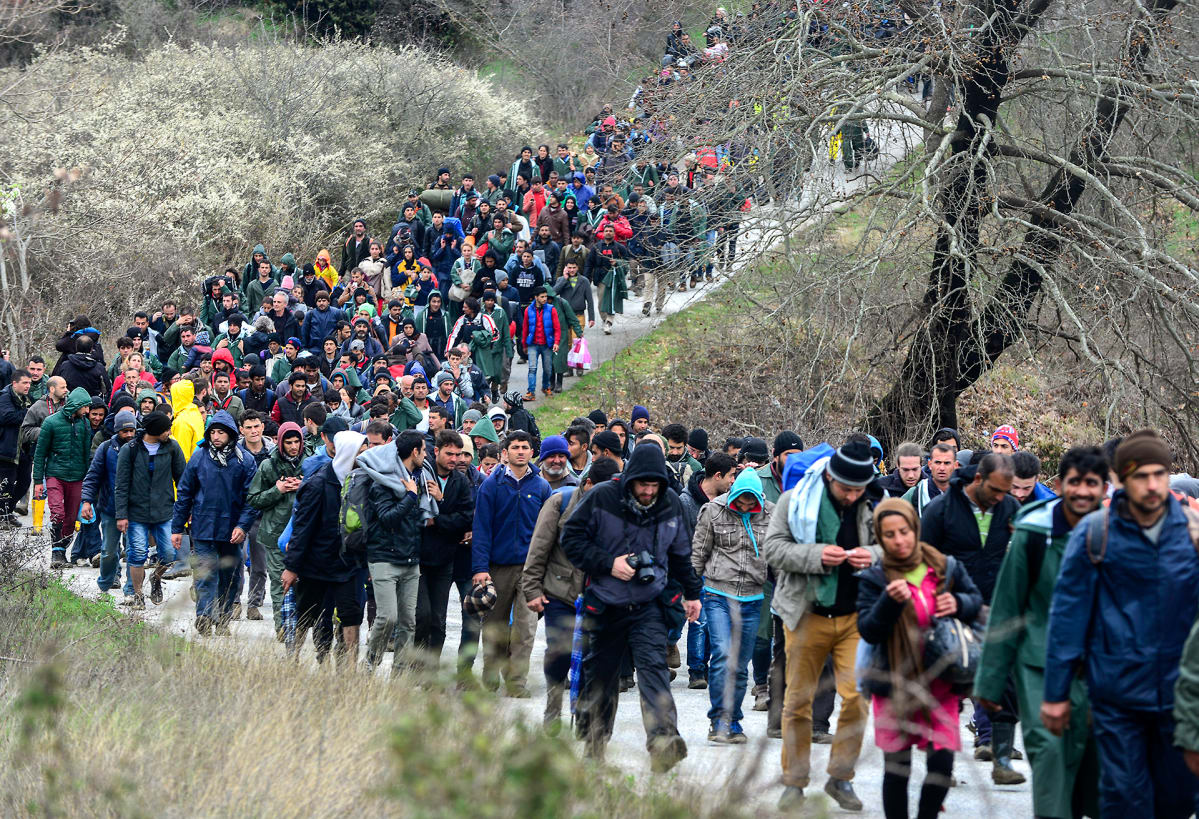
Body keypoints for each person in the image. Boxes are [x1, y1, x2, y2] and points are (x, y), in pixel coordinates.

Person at [1045, 430, 1199, 818]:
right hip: (1118, 698)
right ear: (1121, 479)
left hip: (1178, 698)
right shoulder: (1096, 534)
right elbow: (1068, 617)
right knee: (1126, 800)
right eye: (1141, 476)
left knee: (1178, 802)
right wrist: (1056, 692)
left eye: (1159, 474)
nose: (1152, 485)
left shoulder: (1192, 534)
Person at [976, 446, 1108, 819]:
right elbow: (1007, 607)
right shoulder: (1035, 532)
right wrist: (990, 683)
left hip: (1103, 670)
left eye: (1092, 483)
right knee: (1049, 754)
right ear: (1060, 485)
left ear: (1104, 487)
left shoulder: (1119, 533)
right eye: (1074, 482)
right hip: (1039, 665)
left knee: (1098, 771)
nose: (1082, 491)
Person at [561, 443, 702, 772]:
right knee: (600, 679)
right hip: (606, 603)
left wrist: (692, 593)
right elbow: (571, 538)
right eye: (643, 485)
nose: (649, 491)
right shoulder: (601, 498)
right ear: (630, 480)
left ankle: (664, 742)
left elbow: (682, 554)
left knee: (654, 672)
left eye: (654, 486)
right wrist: (609, 563)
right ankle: (594, 747)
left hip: (648, 603)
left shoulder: (669, 503)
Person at [762, 439, 881, 812]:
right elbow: (773, 550)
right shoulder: (792, 502)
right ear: (830, 476)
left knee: (857, 698)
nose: (850, 495)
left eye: (857, 489)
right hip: (806, 614)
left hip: (854, 618)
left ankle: (840, 777)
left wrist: (871, 555)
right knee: (797, 701)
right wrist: (815, 555)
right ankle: (794, 783)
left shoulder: (871, 507)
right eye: (845, 488)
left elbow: (893, 548)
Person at [856, 498, 983, 819]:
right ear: (879, 539)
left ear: (916, 528)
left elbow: (975, 600)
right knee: (897, 769)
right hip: (894, 682)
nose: (899, 541)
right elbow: (868, 630)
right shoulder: (875, 578)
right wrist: (887, 602)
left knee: (941, 764)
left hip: (941, 681)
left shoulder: (944, 565)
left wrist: (957, 602)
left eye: (905, 531)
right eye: (889, 535)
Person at [919, 452, 1023, 780]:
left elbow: (1021, 556)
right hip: (949, 607)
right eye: (995, 490)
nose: (1000, 498)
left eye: (1006, 492)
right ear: (978, 479)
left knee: (1004, 682)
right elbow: (922, 561)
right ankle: (940, 763)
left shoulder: (1009, 509)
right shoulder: (941, 510)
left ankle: (1000, 758)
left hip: (996, 607)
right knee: (947, 687)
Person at [522, 456, 621, 728]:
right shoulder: (560, 503)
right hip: (560, 592)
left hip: (598, 595)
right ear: (588, 484)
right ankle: (553, 706)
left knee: (594, 657)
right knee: (560, 651)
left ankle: (584, 715)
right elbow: (539, 547)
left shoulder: (617, 508)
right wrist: (531, 589)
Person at [691, 466, 773, 743]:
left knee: (739, 665)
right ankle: (718, 720)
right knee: (724, 655)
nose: (747, 505)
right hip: (718, 594)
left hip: (753, 598)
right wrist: (690, 593)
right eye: (743, 499)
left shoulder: (771, 514)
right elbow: (698, 553)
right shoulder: (713, 511)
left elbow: (778, 557)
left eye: (753, 500)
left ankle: (733, 720)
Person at [471, 430, 551, 695]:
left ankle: (517, 683)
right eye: (515, 447)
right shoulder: (491, 485)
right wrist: (480, 568)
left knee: (526, 628)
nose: (520, 451)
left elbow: (549, 530)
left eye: (525, 447)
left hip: (531, 571)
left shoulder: (541, 487)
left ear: (532, 452)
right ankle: (491, 673)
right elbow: (481, 528)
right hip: (497, 567)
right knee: (495, 625)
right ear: (504, 453)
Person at [282, 430, 368, 668]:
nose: (364, 457)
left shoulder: (361, 483)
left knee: (351, 615)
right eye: (359, 453)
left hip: (348, 565)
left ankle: (350, 667)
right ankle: (293, 660)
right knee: (306, 614)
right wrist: (292, 567)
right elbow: (302, 529)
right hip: (316, 565)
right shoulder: (318, 484)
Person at [171, 411, 258, 635]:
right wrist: (177, 528)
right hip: (203, 526)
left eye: (221, 432)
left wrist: (243, 526)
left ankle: (222, 619)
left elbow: (252, 499)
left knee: (230, 576)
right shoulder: (199, 457)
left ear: (230, 434)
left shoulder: (244, 461)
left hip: (232, 530)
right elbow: (185, 493)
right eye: (213, 432)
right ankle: (204, 615)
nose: (216, 436)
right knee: (205, 573)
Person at [357, 429, 428, 674]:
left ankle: (399, 674)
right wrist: (410, 496)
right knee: (388, 617)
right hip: (384, 558)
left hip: (410, 559)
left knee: (408, 621)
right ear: (414, 452)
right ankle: (370, 662)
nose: (426, 454)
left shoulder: (418, 478)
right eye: (424, 450)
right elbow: (387, 519)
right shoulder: (383, 481)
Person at [414, 430, 475, 664]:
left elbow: (465, 519)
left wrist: (438, 510)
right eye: (449, 454)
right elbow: (416, 517)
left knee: (438, 619)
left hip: (445, 559)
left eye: (458, 454)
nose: (455, 459)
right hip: (418, 558)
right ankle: (416, 664)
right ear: (436, 451)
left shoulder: (460, 481)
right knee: (422, 615)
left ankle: (431, 668)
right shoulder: (421, 474)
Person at [114, 411, 186, 605]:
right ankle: (138, 596)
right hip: (136, 512)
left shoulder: (172, 447)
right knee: (137, 554)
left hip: (164, 511)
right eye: (166, 429)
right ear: (155, 431)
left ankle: (156, 577)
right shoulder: (130, 449)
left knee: (170, 554)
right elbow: (121, 484)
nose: (169, 433)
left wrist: (188, 509)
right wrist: (121, 514)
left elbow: (183, 480)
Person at [246, 422, 305, 639]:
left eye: (297, 441)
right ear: (280, 443)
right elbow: (253, 499)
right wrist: (277, 490)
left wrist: (304, 485)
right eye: (288, 442)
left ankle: (302, 624)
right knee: (280, 582)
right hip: (274, 533)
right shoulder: (268, 466)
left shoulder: (309, 464)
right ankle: (283, 627)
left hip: (303, 533)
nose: (293, 446)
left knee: (304, 583)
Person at [32, 387, 93, 569]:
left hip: (77, 477)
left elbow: (86, 453)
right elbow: (40, 453)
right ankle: (56, 553)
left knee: (71, 518)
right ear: (76, 405)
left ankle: (62, 550)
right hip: (55, 475)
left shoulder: (84, 424)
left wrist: (88, 481)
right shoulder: (50, 423)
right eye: (85, 407)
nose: (87, 411)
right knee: (57, 513)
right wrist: (37, 481)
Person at [0, 369, 33, 526]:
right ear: (14, 383)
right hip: (6, 449)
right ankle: (3, 514)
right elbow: (7, 417)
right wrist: (27, 413)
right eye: (24, 383)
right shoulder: (4, 397)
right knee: (6, 483)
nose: (28, 386)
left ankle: (8, 510)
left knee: (25, 482)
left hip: (23, 449)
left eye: (29, 383)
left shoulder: (27, 399)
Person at [521, 286, 561, 400]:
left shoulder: (551, 309)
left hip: (547, 344)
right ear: (536, 297)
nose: (544, 299)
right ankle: (531, 392)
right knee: (532, 368)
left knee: (548, 368)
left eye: (546, 296)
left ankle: (546, 387)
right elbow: (525, 328)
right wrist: (524, 344)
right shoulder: (528, 310)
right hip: (533, 344)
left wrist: (556, 342)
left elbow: (557, 328)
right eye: (542, 297)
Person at [901, 442, 956, 516]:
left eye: (947, 463)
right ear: (930, 464)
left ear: (955, 465)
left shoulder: (964, 493)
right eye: (938, 462)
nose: (942, 468)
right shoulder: (916, 493)